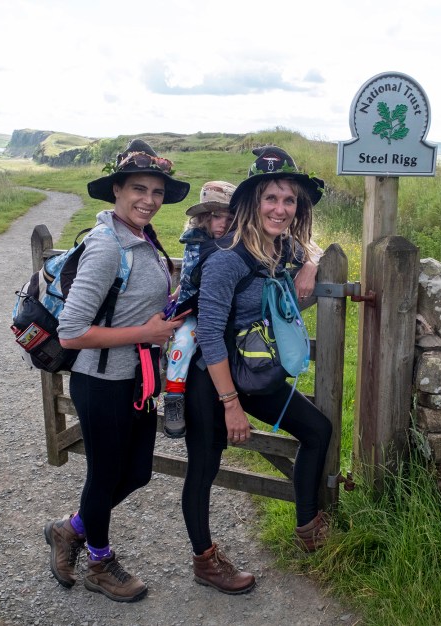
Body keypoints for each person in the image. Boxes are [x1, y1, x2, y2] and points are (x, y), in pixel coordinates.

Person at [43, 139, 190, 603]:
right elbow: (70, 332)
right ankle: (100, 563)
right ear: (117, 191)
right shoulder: (107, 245)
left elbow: (133, 304)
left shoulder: (142, 237)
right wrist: (145, 331)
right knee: (105, 476)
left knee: (139, 472)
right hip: (101, 381)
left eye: (157, 192)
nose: (149, 199)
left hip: (136, 379)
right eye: (138, 189)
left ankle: (71, 529)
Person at [181, 146, 332, 595]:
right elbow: (209, 337)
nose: (280, 209)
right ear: (251, 203)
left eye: (289, 201)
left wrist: (311, 262)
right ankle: (205, 560)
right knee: (204, 468)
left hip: (256, 372)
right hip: (213, 379)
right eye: (271, 199)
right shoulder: (227, 258)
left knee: (317, 430)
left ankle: (308, 528)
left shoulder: (281, 247)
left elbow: (316, 248)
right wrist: (230, 406)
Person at [162, 180, 236, 438]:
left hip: (225, 311)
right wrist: (177, 299)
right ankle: (173, 397)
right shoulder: (196, 243)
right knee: (182, 342)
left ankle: (239, 404)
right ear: (204, 218)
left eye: (229, 217)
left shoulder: (239, 244)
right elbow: (190, 280)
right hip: (195, 310)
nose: (222, 224)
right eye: (216, 216)